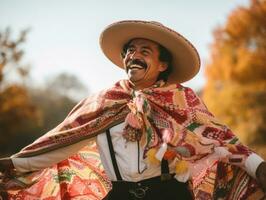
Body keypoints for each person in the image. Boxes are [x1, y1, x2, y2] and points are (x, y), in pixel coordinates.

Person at [0, 20, 266, 200]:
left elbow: (221, 143)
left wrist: (259, 167)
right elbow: (61, 143)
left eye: (145, 51)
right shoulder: (103, 101)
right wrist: (12, 165)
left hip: (170, 195)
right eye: (130, 50)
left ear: (162, 65)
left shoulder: (181, 100)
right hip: (119, 195)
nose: (133, 55)